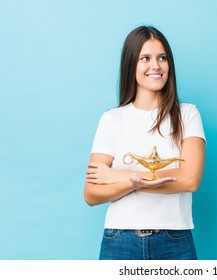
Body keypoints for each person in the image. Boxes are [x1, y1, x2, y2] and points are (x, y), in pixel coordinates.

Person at [84, 26, 206, 260]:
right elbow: (91, 193)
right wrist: (134, 181)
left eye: (162, 58)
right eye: (145, 58)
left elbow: (190, 179)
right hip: (120, 239)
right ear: (131, 65)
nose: (156, 66)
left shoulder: (187, 114)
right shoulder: (111, 119)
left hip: (175, 238)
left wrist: (121, 176)